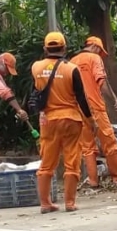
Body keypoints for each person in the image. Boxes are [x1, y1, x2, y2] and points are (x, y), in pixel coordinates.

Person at [31, 32, 94, 214]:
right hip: (71, 119)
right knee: (72, 161)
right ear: (64, 48)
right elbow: (81, 98)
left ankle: (45, 203)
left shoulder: (36, 67)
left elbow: (35, 93)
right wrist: (91, 120)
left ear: (45, 48)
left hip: (48, 120)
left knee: (47, 162)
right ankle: (70, 203)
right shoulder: (72, 69)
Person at [71, 36, 117, 188]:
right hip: (95, 108)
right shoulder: (94, 58)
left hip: (78, 109)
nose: (100, 55)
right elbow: (102, 82)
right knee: (109, 142)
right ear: (95, 47)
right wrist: (114, 100)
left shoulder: (72, 61)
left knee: (87, 146)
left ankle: (93, 180)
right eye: (100, 51)